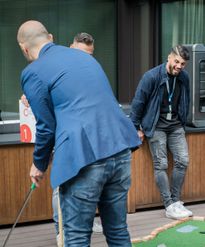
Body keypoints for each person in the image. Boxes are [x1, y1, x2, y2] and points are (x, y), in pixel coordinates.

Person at [17, 20, 141, 246]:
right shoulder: (85, 57)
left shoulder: (32, 72)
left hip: (83, 157)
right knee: (117, 231)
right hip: (120, 148)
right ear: (51, 37)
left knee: (75, 237)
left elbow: (46, 125)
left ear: (24, 49)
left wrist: (39, 164)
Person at [20, 32, 103, 242]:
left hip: (89, 137)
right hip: (63, 138)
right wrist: (31, 98)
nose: (86, 58)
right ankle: (61, 231)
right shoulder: (51, 67)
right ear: (70, 48)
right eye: (83, 53)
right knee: (62, 186)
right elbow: (44, 110)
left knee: (89, 182)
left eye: (90, 54)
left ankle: (83, 221)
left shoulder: (88, 69)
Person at [130, 45, 192, 220]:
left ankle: (175, 201)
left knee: (183, 160)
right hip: (156, 126)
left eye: (183, 64)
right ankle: (169, 204)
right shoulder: (151, 77)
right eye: (177, 61)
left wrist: (183, 120)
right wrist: (135, 127)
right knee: (161, 164)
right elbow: (138, 103)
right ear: (169, 58)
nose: (179, 66)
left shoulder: (184, 77)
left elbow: (185, 99)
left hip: (176, 126)